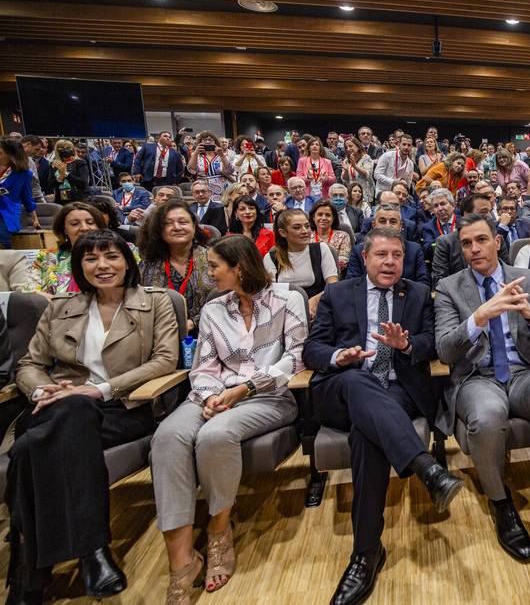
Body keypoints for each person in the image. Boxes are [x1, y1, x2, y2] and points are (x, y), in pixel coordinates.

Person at [8, 230, 177, 602]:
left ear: (127, 262)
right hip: (54, 407)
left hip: (122, 408)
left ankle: (28, 569)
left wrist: (98, 389)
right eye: (91, 259)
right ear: (79, 265)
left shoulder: (155, 301)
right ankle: (92, 549)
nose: (102, 266)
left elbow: (164, 360)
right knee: (69, 414)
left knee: (28, 449)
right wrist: (41, 390)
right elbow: (31, 364)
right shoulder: (59, 305)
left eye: (112, 257)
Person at [304, 227, 463, 604]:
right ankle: (426, 467)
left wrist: (406, 343)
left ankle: (365, 553)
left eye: (397, 255)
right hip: (343, 387)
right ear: (364, 258)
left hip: (397, 390)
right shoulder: (339, 293)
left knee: (367, 435)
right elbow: (313, 348)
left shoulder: (419, 293)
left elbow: (431, 344)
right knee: (358, 382)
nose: (390, 261)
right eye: (382, 255)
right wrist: (337, 357)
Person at [151, 235, 307, 602]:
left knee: (214, 436)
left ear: (239, 267)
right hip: (213, 394)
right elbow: (203, 365)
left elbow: (297, 357)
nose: (209, 274)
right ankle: (182, 560)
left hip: (267, 395)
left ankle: (219, 531)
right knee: (167, 437)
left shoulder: (288, 299)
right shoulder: (213, 308)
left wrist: (245, 389)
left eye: (214, 267)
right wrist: (209, 397)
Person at [434, 213, 530, 585]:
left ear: (498, 240)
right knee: (488, 414)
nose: (474, 249)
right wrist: (479, 317)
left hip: (524, 373)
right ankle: (501, 505)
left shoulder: (527, 279)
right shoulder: (449, 287)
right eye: (466, 243)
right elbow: (445, 352)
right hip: (477, 378)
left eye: (481, 240)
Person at [25, 202, 140, 295]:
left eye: (90, 222)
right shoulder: (48, 256)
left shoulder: (126, 249)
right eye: (74, 224)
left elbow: (137, 287)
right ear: (64, 229)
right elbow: (30, 294)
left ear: (99, 226)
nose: (84, 228)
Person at [138, 198, 215, 334]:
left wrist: (195, 322)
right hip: (159, 334)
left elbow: (227, 298)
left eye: (183, 222)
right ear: (159, 230)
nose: (177, 227)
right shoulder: (148, 264)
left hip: (210, 331)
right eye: (168, 223)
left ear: (193, 225)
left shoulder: (213, 258)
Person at [263, 208, 338, 316]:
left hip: (319, 310)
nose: (305, 231)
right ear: (283, 232)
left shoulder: (321, 249)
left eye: (307, 226)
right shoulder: (271, 257)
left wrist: (314, 301)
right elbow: (271, 295)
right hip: (285, 312)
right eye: (297, 227)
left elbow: (333, 285)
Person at [345, 204, 430, 285]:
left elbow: (423, 283)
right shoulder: (358, 251)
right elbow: (352, 284)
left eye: (393, 222)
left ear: (400, 226)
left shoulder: (414, 250)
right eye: (382, 221)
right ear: (373, 225)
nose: (387, 225)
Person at [0, 138, 41, 248]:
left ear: (10, 154)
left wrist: (35, 219)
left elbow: (27, 198)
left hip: (7, 213)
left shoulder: (23, 174)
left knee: (3, 243)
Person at [309, 198, 353, 275]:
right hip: (310, 275)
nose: (323, 218)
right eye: (320, 214)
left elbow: (343, 261)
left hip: (335, 275)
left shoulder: (343, 236)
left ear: (333, 218)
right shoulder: (307, 237)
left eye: (328, 215)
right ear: (313, 217)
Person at [186, 131, 233, 203]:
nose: (207, 142)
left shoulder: (221, 155)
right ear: (200, 142)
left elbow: (230, 170)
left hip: (221, 187)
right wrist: (195, 153)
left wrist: (222, 155)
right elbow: (191, 170)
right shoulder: (197, 156)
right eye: (204, 140)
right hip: (203, 188)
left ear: (215, 142)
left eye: (210, 140)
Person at [340, 136, 375, 205]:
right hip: (352, 196)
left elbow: (367, 175)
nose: (348, 149)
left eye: (350, 146)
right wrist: (346, 171)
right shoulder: (347, 160)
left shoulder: (366, 158)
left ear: (358, 146)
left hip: (366, 195)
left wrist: (355, 166)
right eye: (346, 147)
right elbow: (344, 179)